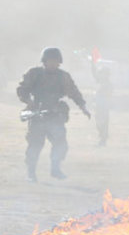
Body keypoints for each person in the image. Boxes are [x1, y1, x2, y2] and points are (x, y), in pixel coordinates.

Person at [16, 47, 90, 181]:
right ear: (44, 61)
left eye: (55, 61)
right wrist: (29, 101)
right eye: (50, 60)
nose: (53, 63)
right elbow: (22, 89)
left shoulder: (63, 77)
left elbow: (74, 92)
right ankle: (31, 173)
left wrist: (83, 107)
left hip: (55, 115)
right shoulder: (34, 73)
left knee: (61, 144)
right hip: (37, 114)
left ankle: (55, 169)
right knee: (35, 145)